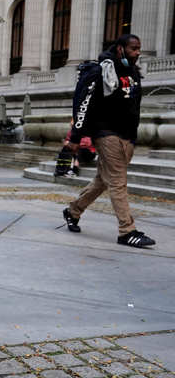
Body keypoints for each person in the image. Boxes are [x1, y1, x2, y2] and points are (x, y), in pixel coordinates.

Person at [62, 34, 156, 247]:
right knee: (117, 181)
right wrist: (76, 137)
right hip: (105, 133)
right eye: (133, 48)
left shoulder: (134, 73)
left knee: (103, 180)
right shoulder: (99, 71)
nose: (138, 52)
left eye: (139, 48)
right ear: (120, 49)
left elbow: (135, 107)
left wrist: (133, 136)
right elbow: (83, 104)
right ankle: (127, 230)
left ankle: (73, 211)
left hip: (127, 136)